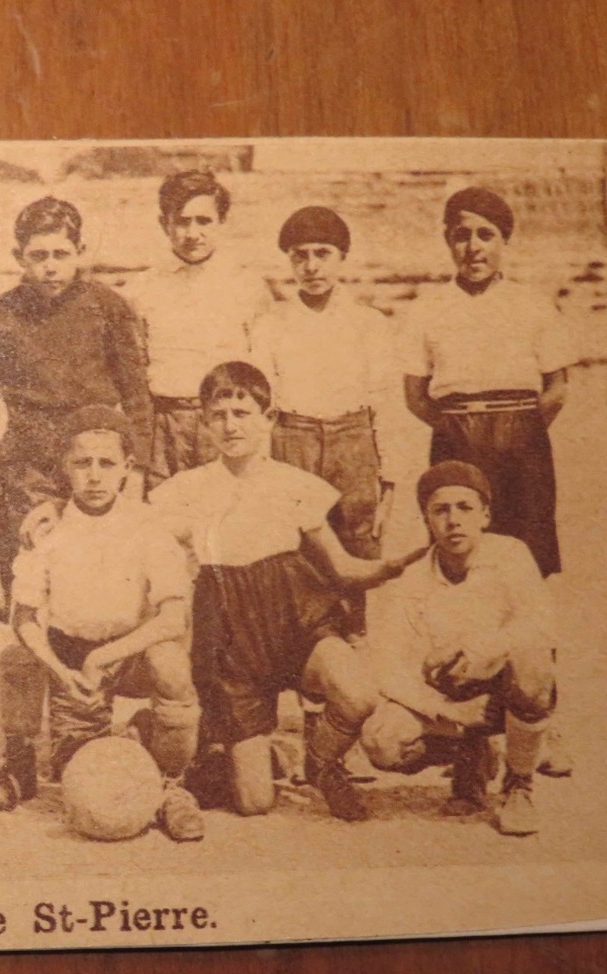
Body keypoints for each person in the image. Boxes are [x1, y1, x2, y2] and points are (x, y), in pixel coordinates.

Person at [150, 362, 425, 822]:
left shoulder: (297, 485)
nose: (230, 425)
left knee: (357, 694)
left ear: (269, 418)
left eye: (242, 412)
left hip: (298, 622)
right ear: (203, 421)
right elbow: (138, 543)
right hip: (230, 640)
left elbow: (341, 568)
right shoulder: (183, 490)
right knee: (255, 804)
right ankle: (227, 752)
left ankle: (322, 762)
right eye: (218, 415)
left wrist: (388, 568)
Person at [0, 195, 153, 810]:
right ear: (19, 258)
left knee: (90, 596)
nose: (49, 266)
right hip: (24, 470)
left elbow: (138, 395)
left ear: (81, 253)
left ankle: (78, 732)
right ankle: (19, 756)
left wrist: (140, 472)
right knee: (26, 609)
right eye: (37, 256)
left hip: (94, 462)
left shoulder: (109, 308)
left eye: (61, 255)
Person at [0, 406, 204, 841]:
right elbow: (25, 618)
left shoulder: (148, 524)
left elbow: (172, 618)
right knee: (19, 664)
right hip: (72, 656)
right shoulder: (47, 529)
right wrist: (58, 669)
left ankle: (172, 786)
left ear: (127, 467)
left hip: (131, 652)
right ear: (64, 468)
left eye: (107, 463)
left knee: (172, 665)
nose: (95, 475)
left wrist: (106, 656)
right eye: (82, 463)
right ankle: (20, 763)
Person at [361, 461, 557, 836]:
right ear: (427, 520)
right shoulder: (411, 577)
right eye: (441, 510)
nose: (454, 521)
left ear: (485, 515)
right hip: (448, 699)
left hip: (501, 692)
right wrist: (448, 710)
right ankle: (472, 756)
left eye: (465, 508)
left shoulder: (511, 555)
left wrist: (477, 649)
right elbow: (385, 665)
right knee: (381, 741)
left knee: (532, 660)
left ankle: (518, 784)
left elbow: (540, 626)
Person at [400, 186, 577, 579]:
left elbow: (557, 389)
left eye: (486, 235)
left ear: (504, 240)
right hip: (456, 438)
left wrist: (521, 428)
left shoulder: (533, 304)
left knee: (527, 549)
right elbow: (414, 396)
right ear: (448, 240)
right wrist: (456, 429)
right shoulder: (426, 309)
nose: (473, 247)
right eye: (462, 236)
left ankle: (529, 637)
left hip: (522, 441)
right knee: (459, 548)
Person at [251, 205, 401, 572]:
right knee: (298, 549)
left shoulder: (369, 324)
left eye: (323, 254)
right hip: (294, 441)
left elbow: (385, 403)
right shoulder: (270, 324)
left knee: (359, 546)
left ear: (342, 257)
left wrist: (391, 480)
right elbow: (262, 406)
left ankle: (355, 629)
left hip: (353, 446)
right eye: (300, 256)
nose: (312, 267)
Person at [128, 171, 254, 487]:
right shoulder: (141, 289)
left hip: (226, 424)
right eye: (182, 221)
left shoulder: (247, 286)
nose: (192, 233)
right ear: (164, 223)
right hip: (164, 426)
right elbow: (135, 368)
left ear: (221, 222)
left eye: (204, 221)